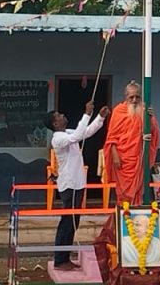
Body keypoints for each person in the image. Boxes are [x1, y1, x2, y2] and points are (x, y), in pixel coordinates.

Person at [46, 100, 110, 271]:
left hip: (77, 183)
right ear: (55, 123)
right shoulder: (58, 139)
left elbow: (85, 132)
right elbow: (77, 136)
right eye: (59, 116)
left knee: (73, 222)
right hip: (69, 185)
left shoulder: (66, 132)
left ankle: (65, 257)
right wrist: (86, 114)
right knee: (67, 222)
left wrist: (99, 118)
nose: (63, 116)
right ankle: (60, 259)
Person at [103, 81, 160, 205]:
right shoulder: (118, 111)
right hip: (122, 160)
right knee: (123, 193)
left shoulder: (144, 110)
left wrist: (150, 117)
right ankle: (123, 218)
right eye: (131, 97)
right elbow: (111, 137)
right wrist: (115, 155)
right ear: (126, 96)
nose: (134, 100)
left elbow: (152, 133)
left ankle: (136, 216)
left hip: (139, 158)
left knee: (138, 190)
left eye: (137, 97)